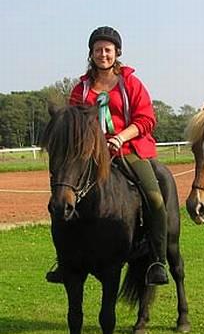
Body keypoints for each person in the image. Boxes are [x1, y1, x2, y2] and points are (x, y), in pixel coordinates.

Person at [46, 26, 168, 286]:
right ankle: (64, 258)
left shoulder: (131, 84)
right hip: (92, 156)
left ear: (117, 53)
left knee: (155, 198)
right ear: (91, 54)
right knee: (62, 196)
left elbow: (146, 119)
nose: (103, 54)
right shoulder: (81, 89)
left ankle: (157, 259)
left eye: (108, 50)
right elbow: (74, 124)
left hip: (128, 149)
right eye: (98, 50)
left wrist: (121, 137)